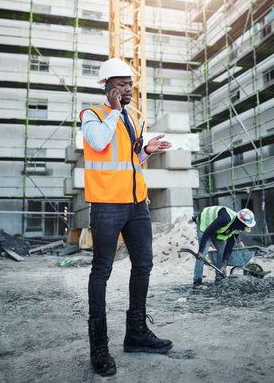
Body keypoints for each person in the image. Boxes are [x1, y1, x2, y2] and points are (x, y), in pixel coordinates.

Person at [80, 58, 173, 376]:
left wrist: (147, 150)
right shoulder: (92, 115)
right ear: (106, 87)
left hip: (136, 205)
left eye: (129, 85)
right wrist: (115, 110)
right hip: (106, 205)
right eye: (120, 84)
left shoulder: (128, 118)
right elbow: (98, 142)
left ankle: (136, 334)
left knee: (144, 265)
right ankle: (99, 348)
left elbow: (131, 159)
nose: (127, 89)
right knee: (101, 272)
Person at [193, 206, 256, 289]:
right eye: (245, 226)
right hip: (205, 223)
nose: (244, 229)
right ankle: (197, 282)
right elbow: (207, 232)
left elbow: (229, 246)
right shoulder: (225, 218)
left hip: (216, 228)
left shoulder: (238, 228)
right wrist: (200, 251)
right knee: (203, 253)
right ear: (240, 222)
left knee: (222, 250)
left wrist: (224, 265)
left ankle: (219, 279)